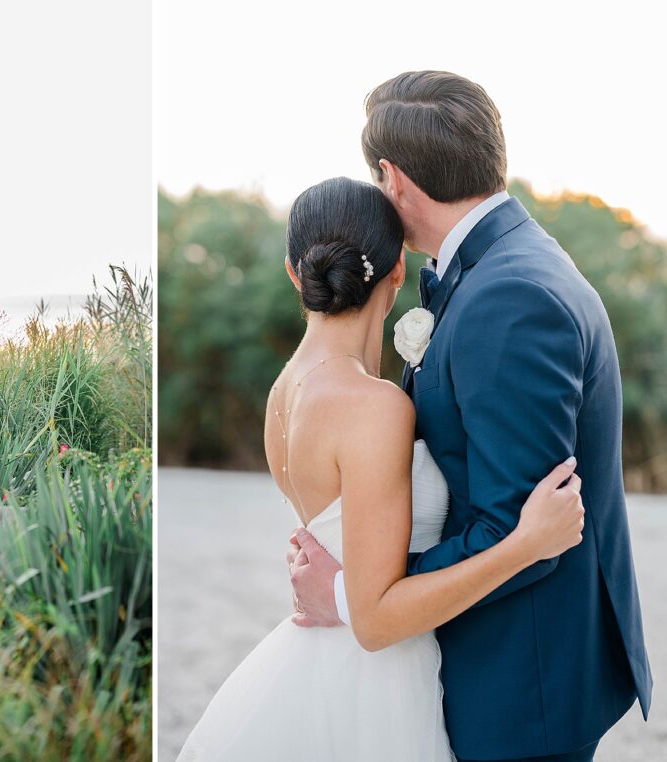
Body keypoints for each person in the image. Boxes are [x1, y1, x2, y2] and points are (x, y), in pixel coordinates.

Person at [289, 71, 651, 762]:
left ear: (392, 180)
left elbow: (525, 533)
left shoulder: (508, 295)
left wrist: (350, 590)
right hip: (512, 669)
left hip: (522, 686)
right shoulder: (506, 266)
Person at [178, 177, 585, 761]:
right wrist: (526, 544)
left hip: (312, 666)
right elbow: (375, 618)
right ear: (398, 269)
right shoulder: (375, 407)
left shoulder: (281, 393)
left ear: (295, 274)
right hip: (376, 682)